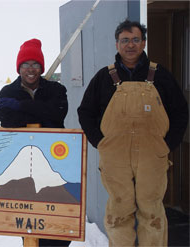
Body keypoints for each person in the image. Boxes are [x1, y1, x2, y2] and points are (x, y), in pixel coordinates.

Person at [77, 20, 188, 247]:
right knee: (119, 212)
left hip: (152, 156)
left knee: (152, 213)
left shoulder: (161, 75)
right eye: (125, 40)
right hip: (114, 158)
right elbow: (85, 112)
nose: (130, 45)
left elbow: (180, 113)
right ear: (117, 44)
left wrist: (166, 145)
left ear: (144, 43)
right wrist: (101, 143)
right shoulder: (104, 77)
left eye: (136, 40)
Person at [0, 38, 70, 247]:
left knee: (58, 226)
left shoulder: (56, 90)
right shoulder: (7, 92)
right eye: (25, 64)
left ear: (41, 67)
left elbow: (56, 114)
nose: (31, 69)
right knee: (29, 222)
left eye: (35, 64)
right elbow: (7, 121)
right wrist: (39, 112)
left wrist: (19, 106)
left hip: (55, 162)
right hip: (22, 166)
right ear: (19, 68)